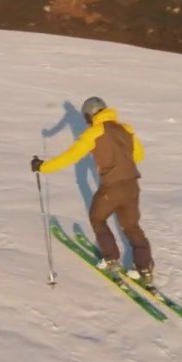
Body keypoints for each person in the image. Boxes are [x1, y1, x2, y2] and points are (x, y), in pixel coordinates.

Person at [32, 97, 155, 283]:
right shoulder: (126, 129)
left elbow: (71, 155)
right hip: (132, 186)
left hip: (112, 187)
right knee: (132, 227)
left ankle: (111, 259)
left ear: (90, 115)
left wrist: (43, 167)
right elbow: (139, 155)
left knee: (97, 218)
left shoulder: (95, 132)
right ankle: (144, 269)